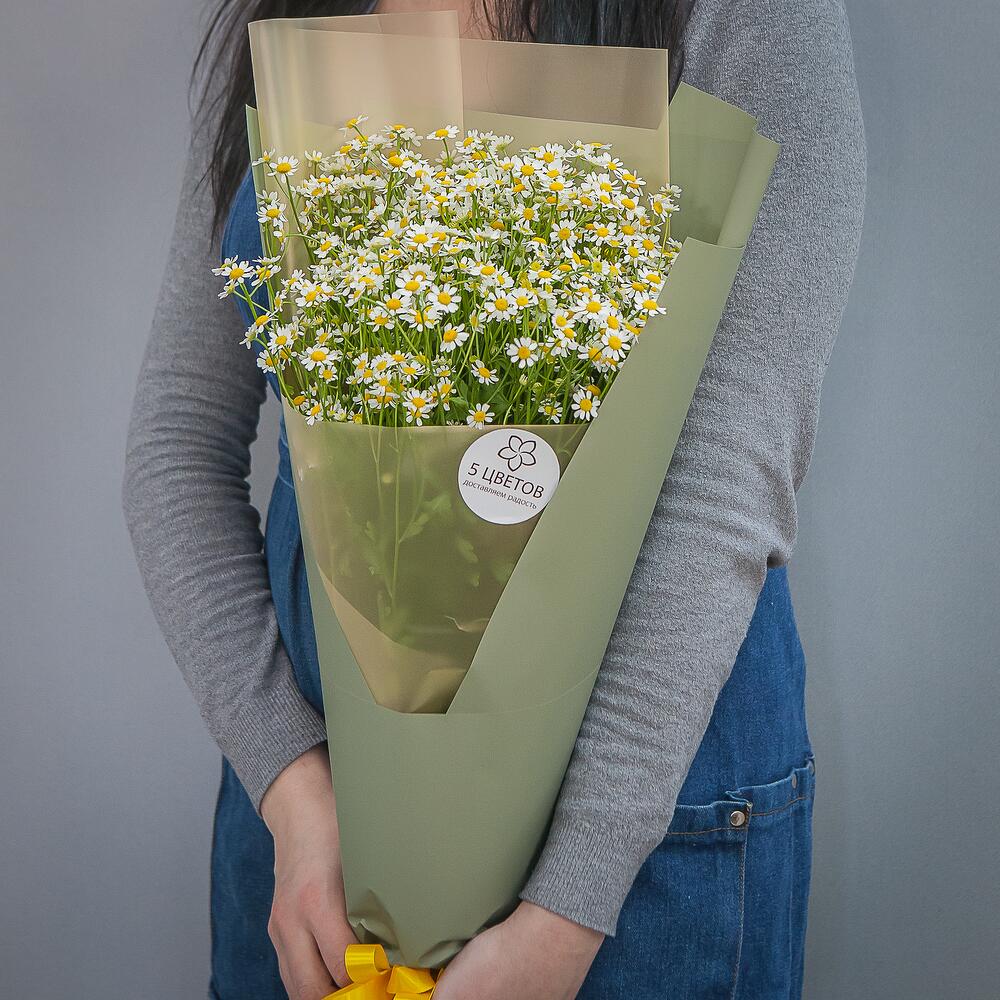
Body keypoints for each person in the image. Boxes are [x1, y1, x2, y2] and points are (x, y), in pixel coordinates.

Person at [122, 0, 866, 997]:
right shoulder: (283, 18)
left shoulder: (748, 16)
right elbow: (176, 444)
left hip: (646, 838)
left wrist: (568, 909)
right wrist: (292, 786)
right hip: (313, 840)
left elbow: (721, 488)